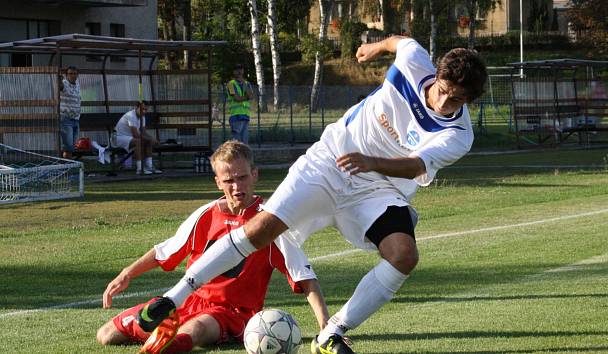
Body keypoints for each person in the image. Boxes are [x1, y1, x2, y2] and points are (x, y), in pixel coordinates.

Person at [137, 36, 487, 354]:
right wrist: (373, 48)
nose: (443, 100)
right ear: (435, 74)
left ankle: (330, 334)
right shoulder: (414, 61)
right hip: (329, 161)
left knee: (404, 255)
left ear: (469, 100)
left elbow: (413, 166)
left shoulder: (458, 135)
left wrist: (370, 162)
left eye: (456, 98)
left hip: (378, 187)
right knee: (261, 229)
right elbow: (402, 42)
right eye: (442, 89)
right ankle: (173, 297)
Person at [96, 140, 329, 353]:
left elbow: (304, 276)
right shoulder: (205, 215)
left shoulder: (269, 223)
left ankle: (160, 348)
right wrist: (127, 273)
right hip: (188, 301)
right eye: (229, 180)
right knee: (106, 335)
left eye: (242, 177)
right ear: (218, 182)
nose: (237, 186)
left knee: (195, 328)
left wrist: (326, 327)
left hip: (232, 312)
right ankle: (162, 338)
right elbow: (165, 251)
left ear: (255, 174)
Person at [113, 101, 162, 175]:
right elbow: (135, 134)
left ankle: (149, 166)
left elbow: (143, 132)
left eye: (146, 109)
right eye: (142, 109)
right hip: (117, 138)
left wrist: (152, 139)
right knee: (139, 141)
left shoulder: (143, 117)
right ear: (136, 108)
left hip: (129, 138)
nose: (144, 111)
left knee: (148, 141)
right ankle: (140, 169)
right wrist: (149, 139)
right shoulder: (131, 116)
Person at [226, 63, 254, 144]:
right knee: (237, 142)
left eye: (241, 69)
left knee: (245, 142)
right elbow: (237, 98)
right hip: (236, 116)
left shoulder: (247, 83)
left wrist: (244, 83)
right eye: (237, 69)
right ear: (233, 72)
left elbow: (251, 96)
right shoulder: (230, 84)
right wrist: (246, 97)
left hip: (245, 116)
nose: (239, 71)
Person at [59, 66, 81, 159]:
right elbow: (60, 87)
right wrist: (59, 80)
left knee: (72, 146)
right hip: (66, 119)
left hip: (76, 119)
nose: (73, 75)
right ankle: (66, 169)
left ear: (77, 75)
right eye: (70, 73)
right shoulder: (64, 83)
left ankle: (68, 167)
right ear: (67, 75)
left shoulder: (77, 84)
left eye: (75, 73)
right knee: (68, 147)